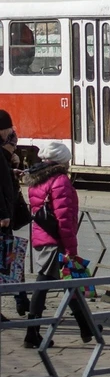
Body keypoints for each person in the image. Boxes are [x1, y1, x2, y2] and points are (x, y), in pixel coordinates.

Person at [22, 141, 95, 349]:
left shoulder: (38, 179)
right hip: (56, 242)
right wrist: (71, 248)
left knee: (68, 283)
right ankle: (32, 332)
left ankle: (87, 328)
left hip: (42, 238)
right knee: (47, 283)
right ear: (62, 161)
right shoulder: (60, 181)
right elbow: (64, 219)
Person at [0, 110, 29, 317]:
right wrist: (3, 214)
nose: (11, 132)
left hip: (7, 212)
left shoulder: (6, 151)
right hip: (2, 216)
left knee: (12, 255)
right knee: (8, 257)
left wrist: (11, 170)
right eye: (8, 129)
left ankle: (22, 298)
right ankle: (22, 298)